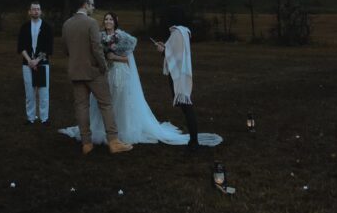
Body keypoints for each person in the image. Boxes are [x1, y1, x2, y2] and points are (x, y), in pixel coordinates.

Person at [60, 11, 222, 149]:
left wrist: (113, 56)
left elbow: (127, 60)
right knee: (105, 102)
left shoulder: (123, 37)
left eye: (111, 19)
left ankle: (120, 130)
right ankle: (105, 129)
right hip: (105, 74)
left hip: (120, 73)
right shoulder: (101, 37)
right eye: (106, 19)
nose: (108, 21)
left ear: (116, 22)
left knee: (120, 101)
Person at [60, 0, 132, 155]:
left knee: (81, 106)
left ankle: (86, 143)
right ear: (85, 5)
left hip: (75, 71)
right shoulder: (91, 23)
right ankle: (113, 141)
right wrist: (103, 66)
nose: (93, 8)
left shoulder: (66, 24)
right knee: (106, 104)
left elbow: (65, 49)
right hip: (93, 71)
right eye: (92, 5)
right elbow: (97, 49)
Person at [154, 5, 205, 153]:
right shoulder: (183, 32)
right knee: (186, 108)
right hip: (181, 73)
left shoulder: (177, 32)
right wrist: (166, 48)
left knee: (187, 108)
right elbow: (175, 52)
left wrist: (163, 50)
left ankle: (194, 142)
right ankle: (193, 140)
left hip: (179, 75)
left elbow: (174, 55)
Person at [17, 1, 53, 125]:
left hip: (42, 63)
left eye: (38, 9)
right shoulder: (24, 27)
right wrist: (29, 61)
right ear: (29, 11)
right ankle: (30, 118)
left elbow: (49, 48)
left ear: (41, 11)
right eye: (33, 9)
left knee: (43, 92)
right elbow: (20, 46)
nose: (36, 11)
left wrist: (37, 60)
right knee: (30, 92)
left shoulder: (47, 27)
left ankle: (44, 118)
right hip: (27, 63)